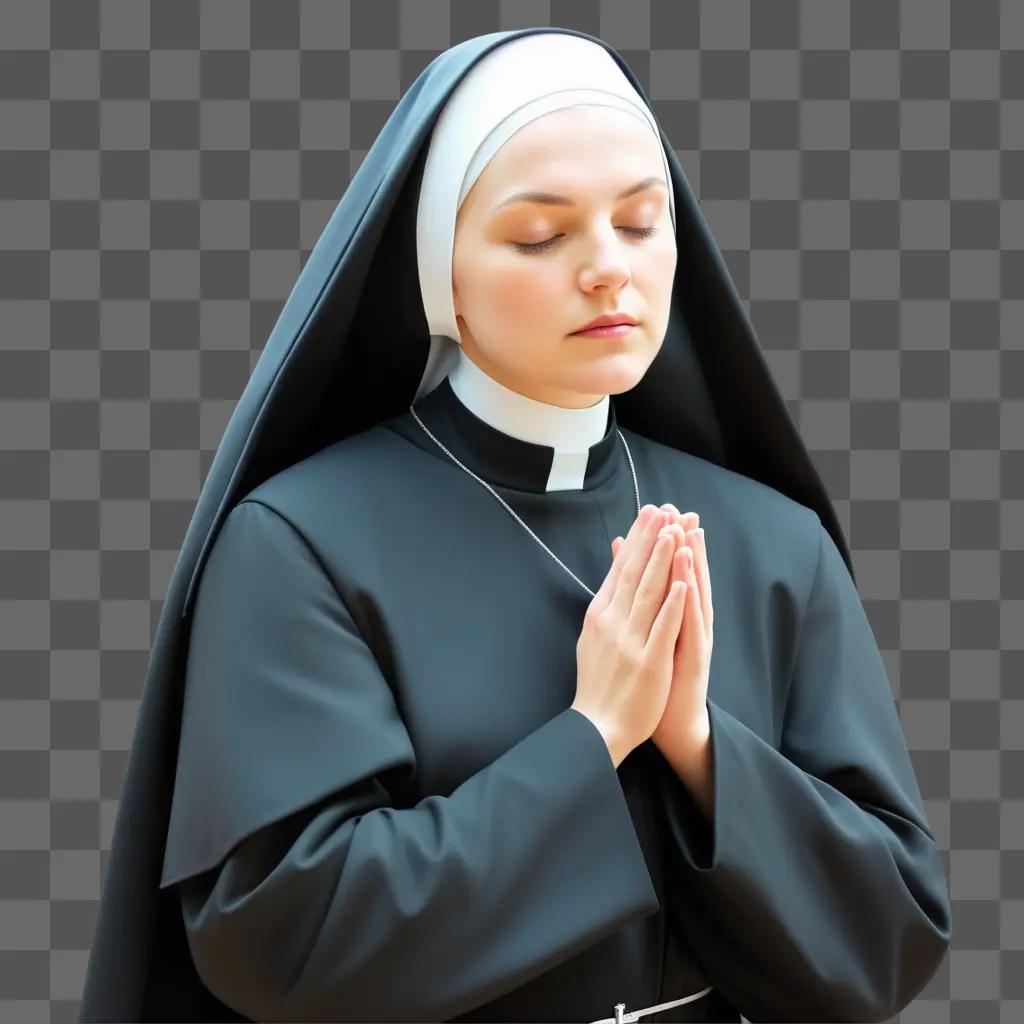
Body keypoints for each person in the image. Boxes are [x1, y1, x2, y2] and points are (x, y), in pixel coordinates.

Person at [78, 27, 952, 1024]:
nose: (607, 269)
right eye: (541, 234)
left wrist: (701, 746)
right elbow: (282, 935)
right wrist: (596, 736)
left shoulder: (774, 540)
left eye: (640, 220)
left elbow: (892, 935)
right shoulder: (299, 542)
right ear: (437, 272)